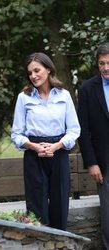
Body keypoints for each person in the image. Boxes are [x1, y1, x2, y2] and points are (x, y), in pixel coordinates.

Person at [11, 52, 80, 230]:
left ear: (48, 69)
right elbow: (17, 134)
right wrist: (33, 146)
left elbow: (74, 130)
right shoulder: (23, 98)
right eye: (30, 73)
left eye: (37, 70)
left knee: (60, 205)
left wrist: (57, 146)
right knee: (36, 210)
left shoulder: (63, 96)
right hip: (34, 156)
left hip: (59, 154)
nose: (33, 76)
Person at [77, 42, 109, 249]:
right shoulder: (87, 89)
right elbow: (83, 129)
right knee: (108, 216)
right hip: (104, 164)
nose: (106, 67)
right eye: (102, 63)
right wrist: (91, 163)